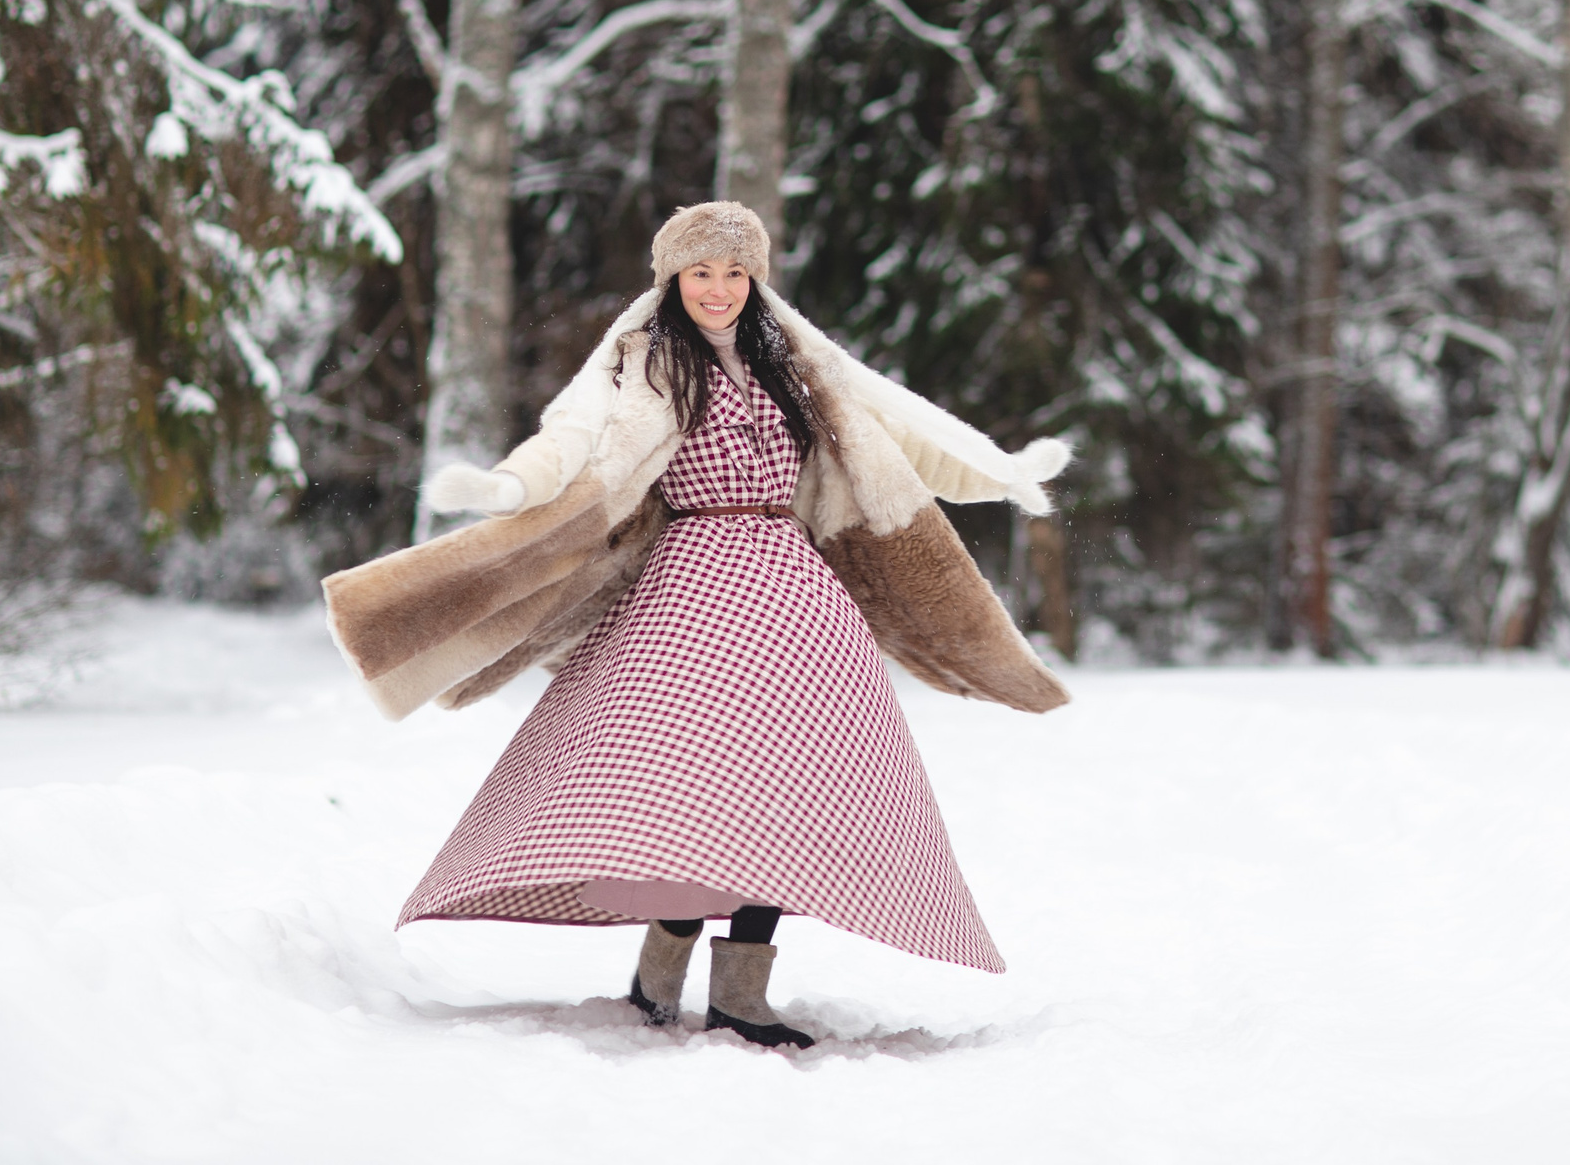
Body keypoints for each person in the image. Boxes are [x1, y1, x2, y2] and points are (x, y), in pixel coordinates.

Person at [322, 201, 1072, 1050]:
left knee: (794, 787)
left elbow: (898, 430)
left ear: (754, 279)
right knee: (687, 786)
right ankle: (659, 973)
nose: (718, 289)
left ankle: (739, 995)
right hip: (689, 593)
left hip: (797, 600)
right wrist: (510, 489)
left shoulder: (792, 362)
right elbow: (569, 439)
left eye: (734, 272)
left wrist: (1001, 472)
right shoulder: (640, 362)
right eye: (700, 272)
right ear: (673, 278)